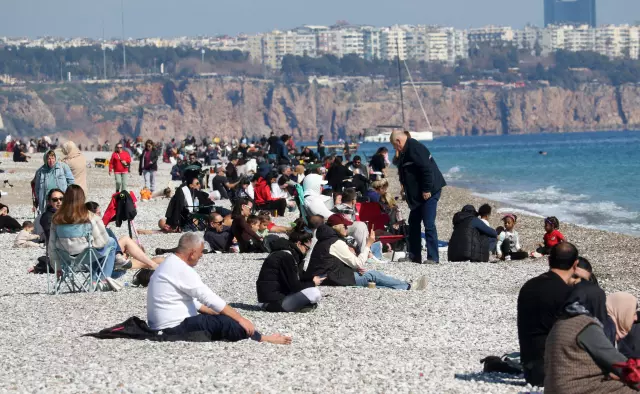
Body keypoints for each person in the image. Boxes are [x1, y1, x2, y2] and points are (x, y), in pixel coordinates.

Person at [147, 232, 291, 345]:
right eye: (200, 252)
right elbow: (208, 297)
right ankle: (261, 338)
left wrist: (215, 312)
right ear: (192, 253)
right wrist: (240, 318)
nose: (201, 256)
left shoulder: (169, 263)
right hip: (174, 327)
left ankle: (255, 335)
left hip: (162, 325)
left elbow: (183, 299)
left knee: (221, 315)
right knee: (229, 323)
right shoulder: (181, 269)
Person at [544, 290, 639, 392]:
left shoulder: (561, 323)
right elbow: (617, 362)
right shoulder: (586, 326)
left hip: (557, 387)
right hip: (579, 387)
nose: (635, 317)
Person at [517, 242, 580, 387]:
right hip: (555, 373)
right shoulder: (567, 293)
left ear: (549, 260)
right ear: (575, 264)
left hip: (530, 368)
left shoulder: (529, 286)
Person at [303, 222, 428, 291]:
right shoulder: (335, 242)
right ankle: (409, 286)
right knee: (372, 275)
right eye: (345, 226)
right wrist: (368, 243)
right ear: (336, 228)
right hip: (333, 279)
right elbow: (358, 263)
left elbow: (331, 262)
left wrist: (354, 269)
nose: (348, 228)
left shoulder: (323, 242)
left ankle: (402, 287)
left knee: (372, 283)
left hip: (326, 278)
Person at [48, 185, 121, 291]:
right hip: (87, 255)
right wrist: (93, 244)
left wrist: (57, 266)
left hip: (66, 257)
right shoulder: (89, 216)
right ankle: (102, 280)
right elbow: (102, 241)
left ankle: (96, 280)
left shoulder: (56, 219)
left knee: (95, 247)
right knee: (111, 243)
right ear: (82, 198)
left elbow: (51, 245)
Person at [391, 130, 446, 264]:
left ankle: (433, 257)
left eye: (395, 146)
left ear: (398, 141)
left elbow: (427, 169)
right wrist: (404, 189)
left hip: (429, 191)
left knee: (428, 223)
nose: (395, 149)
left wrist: (426, 189)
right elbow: (403, 170)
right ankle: (414, 256)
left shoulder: (414, 148)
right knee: (414, 223)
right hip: (417, 195)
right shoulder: (405, 151)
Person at [256, 228, 323, 313]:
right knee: (314, 293)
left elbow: (297, 276)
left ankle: (302, 306)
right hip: (273, 302)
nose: (307, 252)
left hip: (270, 299)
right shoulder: (286, 256)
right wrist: (313, 283)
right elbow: (295, 286)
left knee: (310, 292)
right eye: (307, 249)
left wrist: (310, 277)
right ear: (299, 244)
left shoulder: (283, 253)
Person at [85, 201, 160, 270]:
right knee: (125, 239)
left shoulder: (83, 227)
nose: (100, 216)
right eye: (98, 213)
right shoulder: (94, 226)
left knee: (127, 243)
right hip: (98, 258)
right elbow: (103, 244)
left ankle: (123, 256)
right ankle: (152, 264)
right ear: (92, 214)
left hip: (91, 256)